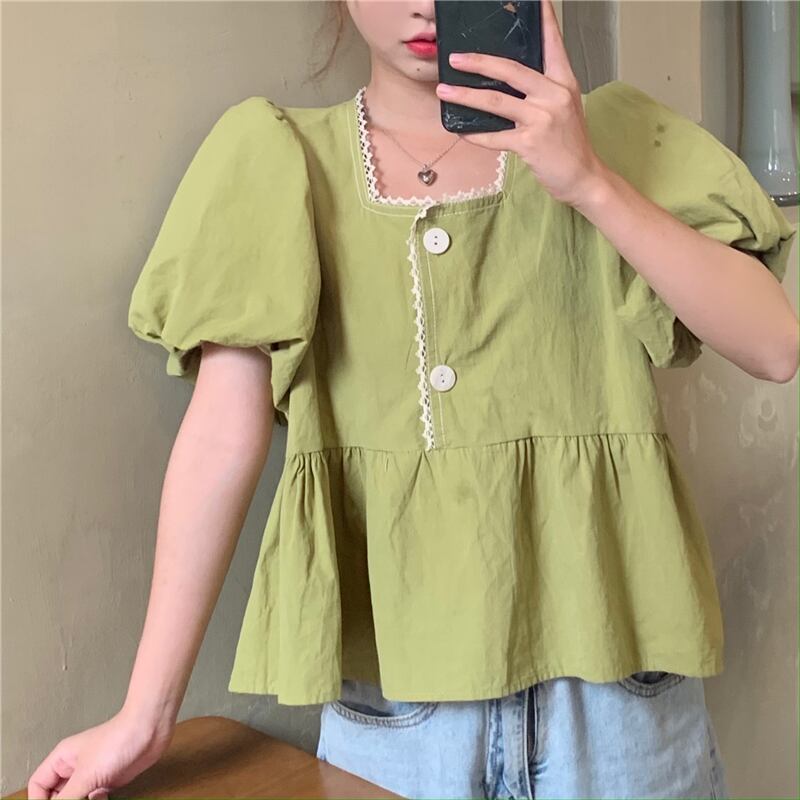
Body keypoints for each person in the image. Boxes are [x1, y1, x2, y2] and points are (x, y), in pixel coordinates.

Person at [28, 1, 798, 799]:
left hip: (617, 700)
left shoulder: (613, 137)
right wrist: (145, 714)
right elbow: (221, 436)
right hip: (398, 706)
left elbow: (775, 345)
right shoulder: (281, 161)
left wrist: (589, 182)